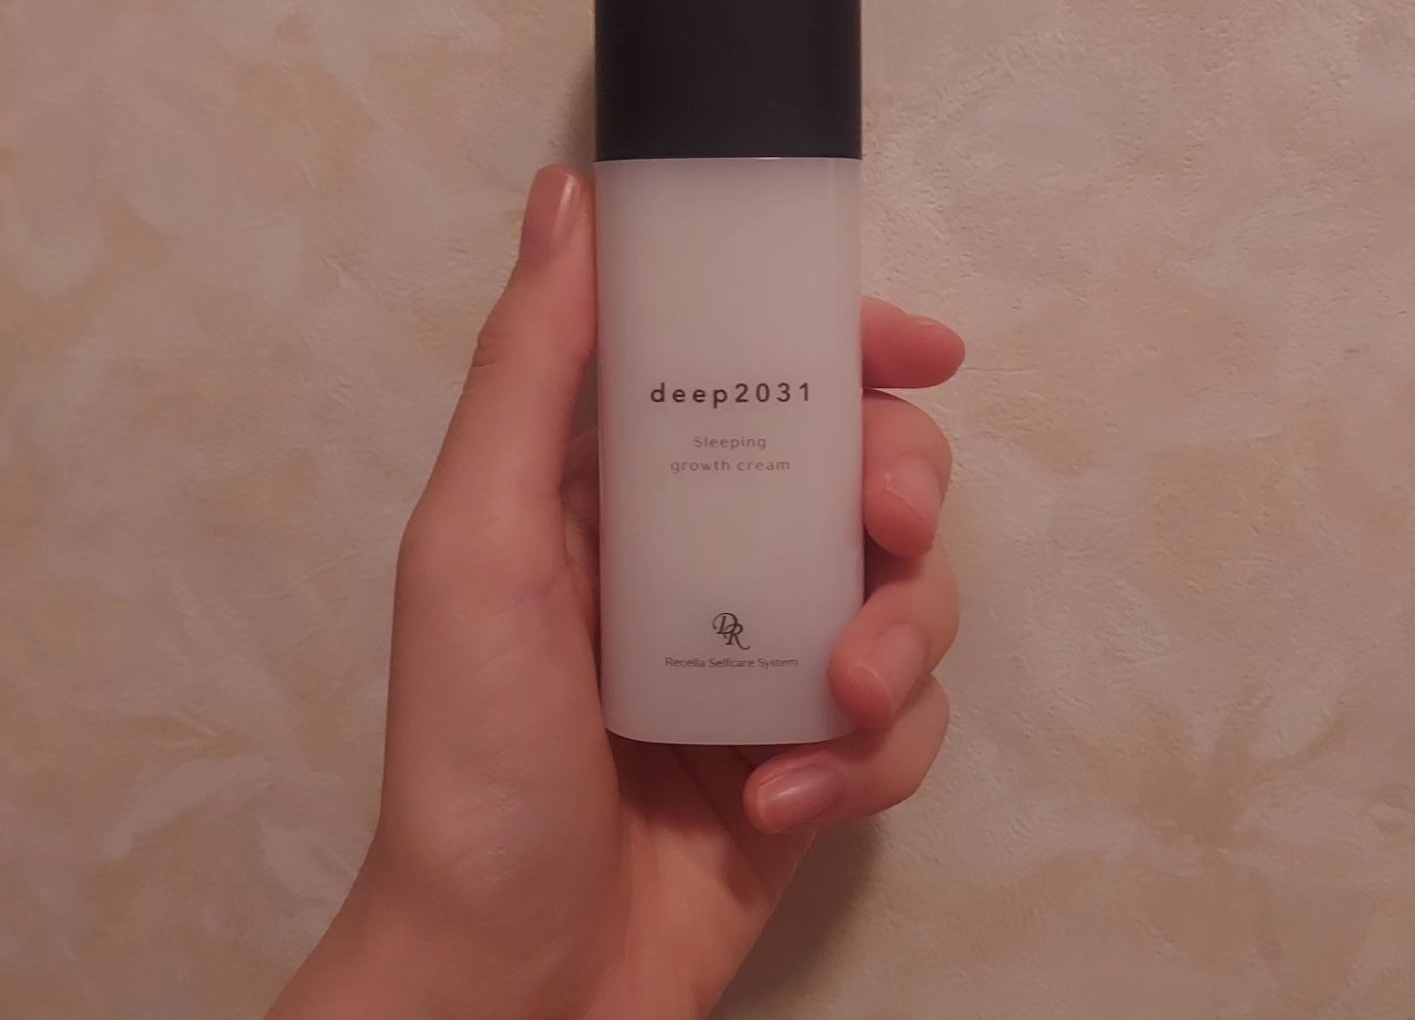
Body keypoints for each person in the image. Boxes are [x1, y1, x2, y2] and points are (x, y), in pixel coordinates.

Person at [268, 166, 964, 1020]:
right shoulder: (654, 193)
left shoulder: (798, 186)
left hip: (639, 876)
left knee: (838, 449)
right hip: (572, 853)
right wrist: (458, 950)